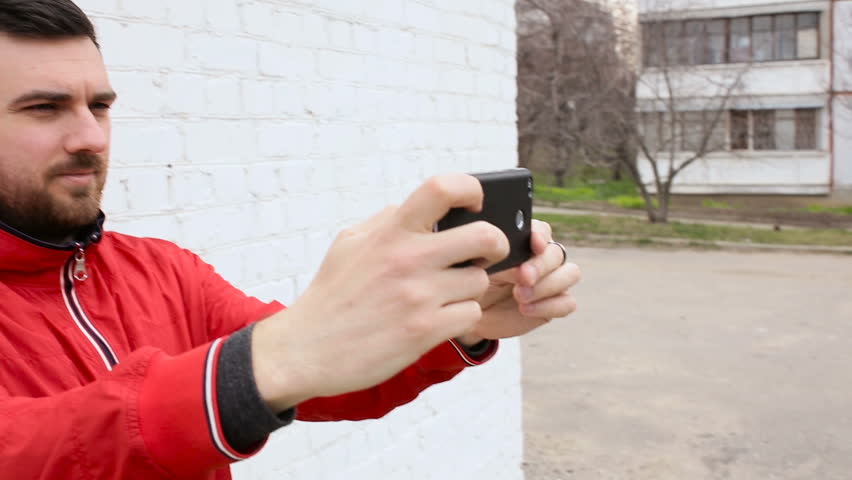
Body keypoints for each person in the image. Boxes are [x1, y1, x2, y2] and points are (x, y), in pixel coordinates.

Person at [0, 0, 582, 479]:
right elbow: (27, 449)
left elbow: (326, 375)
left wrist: (461, 320)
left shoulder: (160, 270)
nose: (90, 136)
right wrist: (264, 364)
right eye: (45, 108)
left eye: (99, 106)